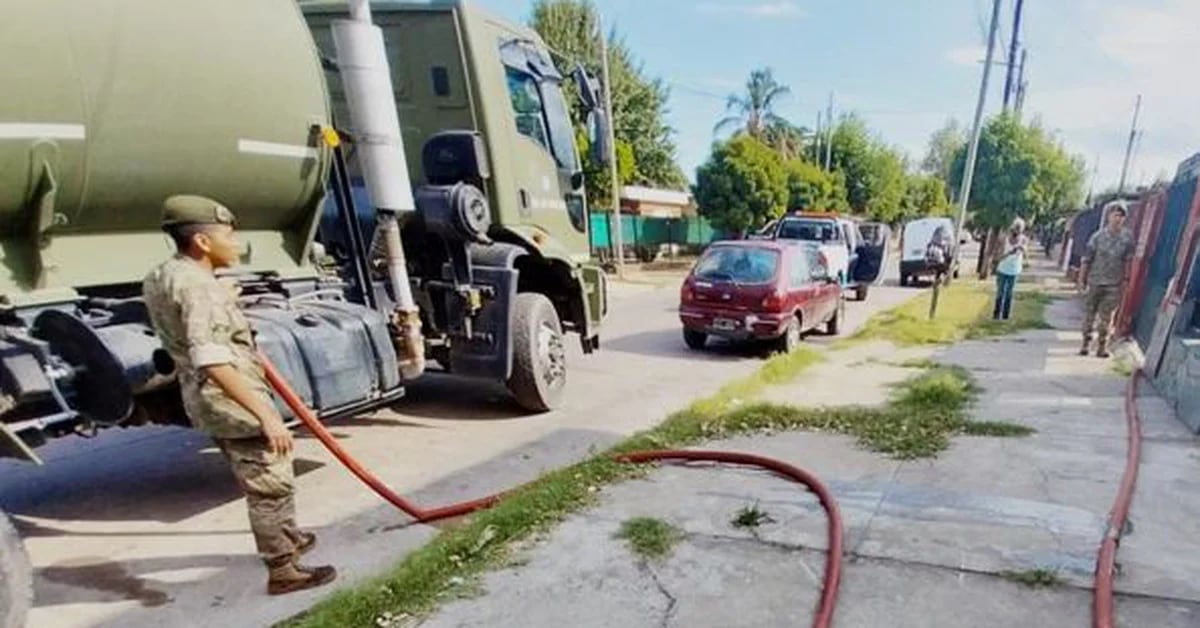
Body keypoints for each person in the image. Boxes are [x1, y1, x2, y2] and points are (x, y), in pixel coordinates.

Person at [142, 195, 337, 595]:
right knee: (270, 481)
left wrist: (222, 301)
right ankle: (284, 569)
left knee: (262, 473)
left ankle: (288, 536)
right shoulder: (200, 288)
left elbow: (181, 322)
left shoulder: (165, 274)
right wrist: (265, 415)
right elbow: (211, 357)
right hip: (228, 396)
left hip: (203, 397)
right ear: (202, 242)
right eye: (229, 236)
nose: (237, 244)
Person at [1078, 201, 1135, 358]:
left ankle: (1102, 347)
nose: (1118, 218)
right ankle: (1085, 344)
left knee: (1107, 318)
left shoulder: (1127, 238)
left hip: (1113, 284)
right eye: (1115, 215)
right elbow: (1086, 259)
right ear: (1109, 216)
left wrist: (1127, 280)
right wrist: (1082, 279)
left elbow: (1128, 260)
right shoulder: (1097, 237)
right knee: (1089, 315)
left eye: (1121, 216)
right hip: (1095, 281)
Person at [993, 218, 1028, 320]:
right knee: (1000, 292)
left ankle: (1005, 316)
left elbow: (1026, 254)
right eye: (1016, 227)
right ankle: (996, 314)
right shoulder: (1005, 238)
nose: (1017, 230)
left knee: (1009, 293)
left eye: (1020, 228)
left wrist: (1023, 249)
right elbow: (999, 256)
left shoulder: (1023, 239)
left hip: (1015, 270)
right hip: (1003, 269)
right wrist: (1010, 252)